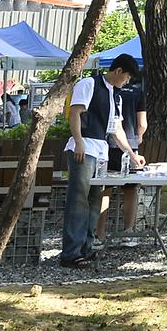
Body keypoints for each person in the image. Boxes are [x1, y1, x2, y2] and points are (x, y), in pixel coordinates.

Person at [60, 54, 143, 268]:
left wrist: (132, 155)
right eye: (126, 78)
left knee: (95, 200)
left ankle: (87, 247)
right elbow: (75, 112)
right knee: (78, 199)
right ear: (118, 71)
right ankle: (71, 252)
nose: (126, 82)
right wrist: (78, 141)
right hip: (84, 147)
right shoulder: (89, 83)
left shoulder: (117, 96)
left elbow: (116, 129)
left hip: (101, 152)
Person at [95, 73, 148, 245]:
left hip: (106, 144)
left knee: (105, 189)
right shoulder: (138, 93)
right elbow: (142, 123)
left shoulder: (110, 90)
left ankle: (99, 233)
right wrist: (139, 137)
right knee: (131, 189)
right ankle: (128, 231)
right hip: (130, 145)